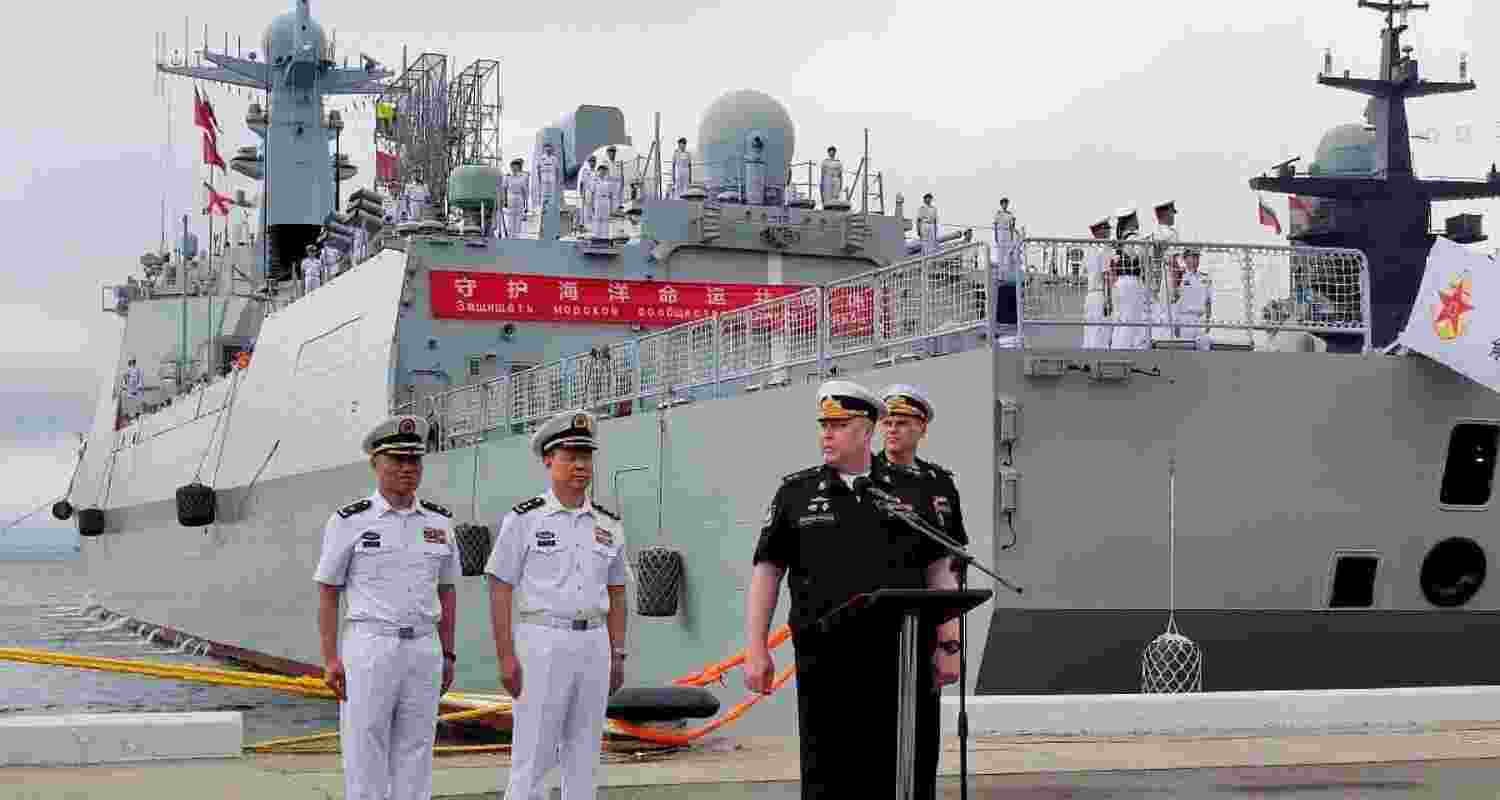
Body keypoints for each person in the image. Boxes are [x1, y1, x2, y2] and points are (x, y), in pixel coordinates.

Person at [744, 380, 960, 800]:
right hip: (827, 657)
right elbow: (767, 571)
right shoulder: (797, 493)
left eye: (839, 425)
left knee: (904, 766)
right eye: (824, 424)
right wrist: (756, 648)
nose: (826, 433)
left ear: (866, 429)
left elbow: (940, 569)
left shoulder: (913, 492)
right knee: (830, 771)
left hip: (900, 656)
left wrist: (948, 645)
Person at [314, 415, 460, 800]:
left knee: (417, 751)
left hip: (424, 648)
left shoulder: (439, 522)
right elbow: (328, 591)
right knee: (365, 750)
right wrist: (331, 659)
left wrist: (447, 652)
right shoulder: (349, 521)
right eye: (397, 459)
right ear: (375, 463)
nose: (408, 469)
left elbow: (447, 590)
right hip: (370, 645)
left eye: (414, 460)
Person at [486, 409, 627, 800]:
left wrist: (618, 652)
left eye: (586, 456)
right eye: (570, 456)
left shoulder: (608, 524)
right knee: (533, 755)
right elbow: (499, 586)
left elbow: (617, 593)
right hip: (542, 640)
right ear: (549, 459)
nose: (580, 465)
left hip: (594, 643)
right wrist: (505, 657)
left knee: (585, 757)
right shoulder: (525, 519)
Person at [872, 384, 966, 799]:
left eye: (902, 423)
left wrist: (950, 643)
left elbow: (948, 563)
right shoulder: (863, 478)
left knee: (923, 731)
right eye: (887, 422)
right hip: (871, 623)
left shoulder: (940, 484)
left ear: (922, 427)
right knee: (872, 734)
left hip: (923, 624)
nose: (892, 430)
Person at [1083, 218, 1115, 349]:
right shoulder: (1104, 249)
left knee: (1090, 332)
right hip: (1101, 294)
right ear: (1099, 231)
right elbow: (1106, 275)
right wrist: (1108, 300)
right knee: (1102, 332)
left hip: (1090, 294)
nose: (1109, 231)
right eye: (1107, 228)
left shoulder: (1089, 249)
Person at [1176, 247, 1212, 350]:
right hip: (1185, 319)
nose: (1196, 260)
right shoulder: (1179, 276)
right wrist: (1176, 322)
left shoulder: (1205, 277)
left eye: (1197, 257)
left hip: (1200, 319)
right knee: (1185, 349)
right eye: (1193, 257)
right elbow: (1175, 300)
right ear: (1185, 259)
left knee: (1204, 349)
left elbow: (1208, 302)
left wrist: (1208, 321)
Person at [590, 164, 620, 241]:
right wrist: (592, 204)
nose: (603, 172)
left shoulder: (609, 181)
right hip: (598, 200)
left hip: (606, 200)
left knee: (605, 219)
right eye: (601, 170)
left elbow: (611, 194)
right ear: (598, 171)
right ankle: (597, 236)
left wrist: (612, 207)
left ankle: (605, 237)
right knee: (597, 218)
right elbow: (592, 193)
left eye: (604, 171)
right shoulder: (595, 180)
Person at [501, 158, 529, 239]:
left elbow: (525, 192)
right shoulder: (507, 177)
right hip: (510, 197)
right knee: (510, 219)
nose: (514, 168)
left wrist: (526, 204)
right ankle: (510, 236)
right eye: (512, 166)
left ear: (518, 167)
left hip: (519, 198)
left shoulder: (522, 177)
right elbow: (504, 190)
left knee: (518, 220)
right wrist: (505, 200)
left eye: (516, 166)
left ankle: (516, 237)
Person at [577, 155, 598, 226]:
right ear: (588, 162)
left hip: (595, 194)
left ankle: (593, 226)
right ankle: (585, 225)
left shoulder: (596, 172)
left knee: (594, 211)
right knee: (586, 210)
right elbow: (582, 183)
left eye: (594, 161)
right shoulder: (585, 171)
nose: (592, 163)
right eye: (591, 161)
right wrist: (581, 194)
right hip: (587, 192)